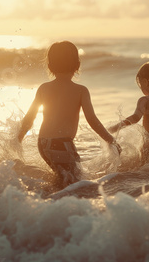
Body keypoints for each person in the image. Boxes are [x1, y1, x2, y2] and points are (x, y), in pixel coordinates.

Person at [18, 41, 120, 188]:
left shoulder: (44, 88)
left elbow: (30, 117)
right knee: (75, 183)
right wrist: (111, 140)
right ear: (77, 65)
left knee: (63, 178)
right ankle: (59, 204)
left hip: (43, 143)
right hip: (61, 144)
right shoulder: (81, 90)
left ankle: (46, 198)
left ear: (50, 66)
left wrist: (18, 139)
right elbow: (92, 120)